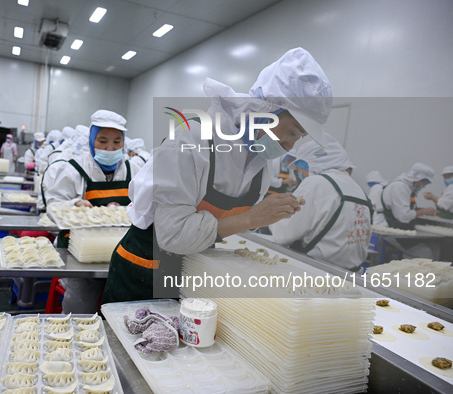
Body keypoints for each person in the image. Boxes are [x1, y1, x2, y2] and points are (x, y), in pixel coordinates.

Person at [101, 47, 333, 304]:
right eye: (291, 132)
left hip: (194, 273)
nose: (290, 146)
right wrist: (253, 217)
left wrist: (270, 213)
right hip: (143, 272)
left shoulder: (262, 161)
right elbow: (172, 236)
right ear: (266, 110)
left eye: (298, 138)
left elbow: (232, 220)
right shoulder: (191, 142)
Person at [41, 110, 143, 313]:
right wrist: (73, 205)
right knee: (81, 303)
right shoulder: (72, 170)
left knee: (125, 304)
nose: (110, 147)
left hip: (121, 250)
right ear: (90, 140)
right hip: (80, 252)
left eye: (116, 142)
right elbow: (53, 206)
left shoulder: (134, 171)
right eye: (102, 140)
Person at [269, 135, 373, 272]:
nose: (299, 173)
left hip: (316, 271)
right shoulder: (358, 189)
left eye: (300, 168)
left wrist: (270, 216)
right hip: (352, 275)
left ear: (311, 164)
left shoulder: (316, 183)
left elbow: (283, 235)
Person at [375, 163, 439, 259]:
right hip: (388, 229)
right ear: (419, 179)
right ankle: (410, 273)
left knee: (434, 246)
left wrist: (422, 210)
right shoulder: (400, 187)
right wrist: (424, 211)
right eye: (424, 183)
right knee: (424, 253)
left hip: (399, 228)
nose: (424, 186)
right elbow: (403, 216)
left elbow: (406, 209)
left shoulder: (408, 188)